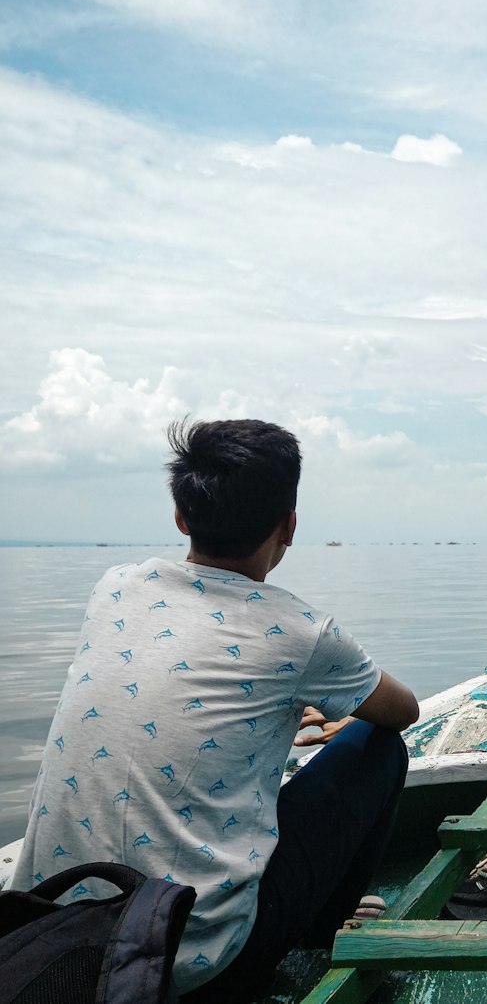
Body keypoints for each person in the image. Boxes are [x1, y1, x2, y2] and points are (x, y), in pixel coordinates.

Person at [11, 418, 419, 1002]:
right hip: (192, 964)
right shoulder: (303, 633)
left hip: (50, 938)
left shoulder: (116, 586)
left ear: (181, 518)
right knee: (377, 747)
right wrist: (338, 708)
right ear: (291, 526)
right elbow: (401, 710)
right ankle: (327, 927)